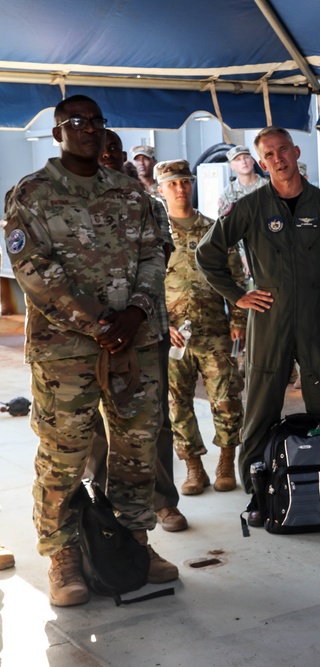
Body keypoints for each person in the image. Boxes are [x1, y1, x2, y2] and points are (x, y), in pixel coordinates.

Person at [3, 95, 179, 607]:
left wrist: (136, 313)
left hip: (135, 346)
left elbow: (155, 251)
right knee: (62, 456)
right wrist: (99, 323)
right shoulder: (31, 194)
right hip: (66, 354)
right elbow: (33, 270)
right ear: (57, 132)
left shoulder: (131, 192)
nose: (88, 129)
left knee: (136, 449)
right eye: (75, 122)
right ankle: (63, 558)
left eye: (96, 121)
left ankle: (135, 543)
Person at [196, 126, 320, 493]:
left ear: (297, 151)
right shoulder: (251, 207)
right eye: (268, 155)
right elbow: (207, 253)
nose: (278, 159)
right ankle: (257, 490)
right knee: (260, 404)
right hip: (269, 316)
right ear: (260, 162)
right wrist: (237, 294)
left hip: (319, 314)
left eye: (283, 150)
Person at [84, 129, 189, 532]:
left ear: (123, 155)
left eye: (113, 148)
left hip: (146, 328)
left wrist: (131, 306)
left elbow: (160, 254)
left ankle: (164, 502)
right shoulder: (73, 201)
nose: (106, 153)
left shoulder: (147, 201)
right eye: (100, 148)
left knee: (154, 419)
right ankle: (101, 500)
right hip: (91, 332)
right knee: (95, 422)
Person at [156, 159, 246, 495]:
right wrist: (163, 327)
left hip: (214, 331)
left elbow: (237, 278)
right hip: (173, 335)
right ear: (161, 190)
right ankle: (193, 467)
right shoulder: (152, 234)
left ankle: (226, 460)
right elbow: (144, 284)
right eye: (173, 184)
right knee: (177, 404)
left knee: (226, 397)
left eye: (185, 182)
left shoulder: (213, 229)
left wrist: (238, 321)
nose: (180, 189)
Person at [217, 144, 268, 217]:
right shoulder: (228, 193)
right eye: (238, 159)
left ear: (253, 161)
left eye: (246, 157)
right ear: (232, 166)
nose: (243, 161)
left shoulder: (268, 186)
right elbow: (223, 223)